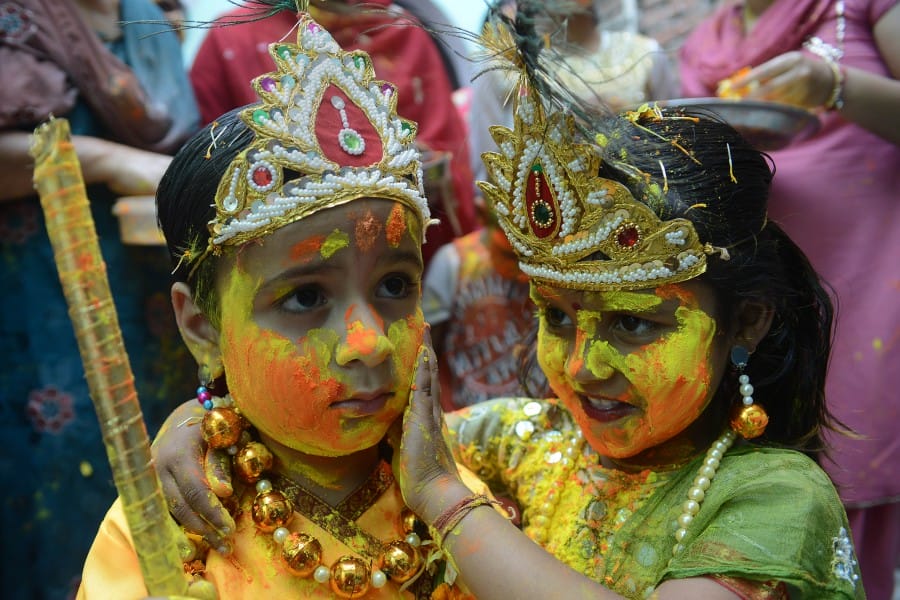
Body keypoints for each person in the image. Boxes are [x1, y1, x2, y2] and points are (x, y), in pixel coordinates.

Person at [152, 5, 867, 594]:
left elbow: (425, 464)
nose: (585, 365)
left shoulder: (779, 496)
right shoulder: (530, 443)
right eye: (556, 317)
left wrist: (444, 498)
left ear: (745, 320)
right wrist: (206, 412)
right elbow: (340, 424)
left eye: (634, 323)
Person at [76, 11, 491, 598]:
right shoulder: (159, 541)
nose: (367, 341)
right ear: (200, 326)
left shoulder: (461, 490)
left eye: (396, 286)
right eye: (305, 297)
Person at [679, 2, 900, 597]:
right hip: (758, 299)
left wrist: (834, 84)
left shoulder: (858, 8)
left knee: (849, 469)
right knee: (758, 477)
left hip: (865, 285)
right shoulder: (706, 42)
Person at [0, 1, 199, 597]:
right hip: (39, 318)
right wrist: (107, 160)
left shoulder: (150, 21)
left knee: (163, 482)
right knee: (58, 500)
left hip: (151, 307)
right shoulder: (17, 17)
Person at [187, 0, 480, 266]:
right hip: (280, 267)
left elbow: (450, 162)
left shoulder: (404, 33)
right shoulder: (232, 37)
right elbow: (206, 179)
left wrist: (414, 167)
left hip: (396, 259)